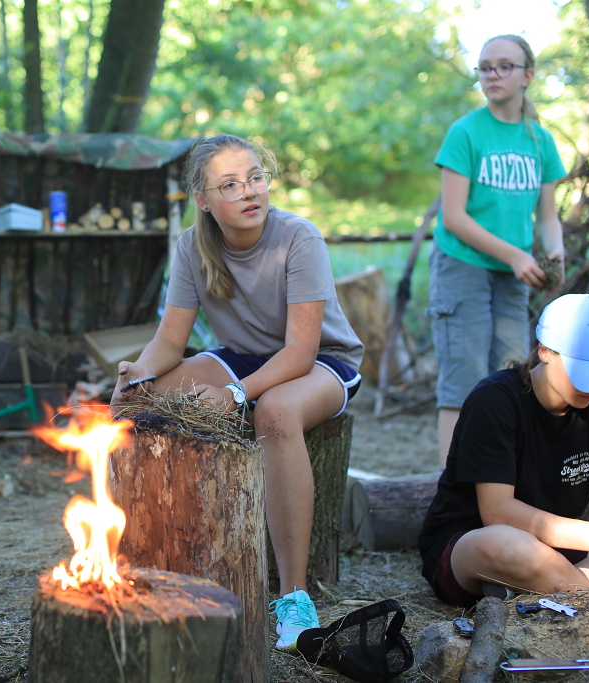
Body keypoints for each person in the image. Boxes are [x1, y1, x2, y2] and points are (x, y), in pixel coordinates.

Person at [109, 134, 364, 653]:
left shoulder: (299, 238)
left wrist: (235, 393)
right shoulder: (191, 245)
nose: (250, 191)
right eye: (230, 184)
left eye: (255, 177)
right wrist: (136, 375)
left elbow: (298, 352)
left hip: (321, 361)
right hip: (240, 356)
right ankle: (160, 563)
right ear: (203, 200)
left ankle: (294, 595)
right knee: (146, 401)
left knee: (273, 411)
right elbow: (170, 341)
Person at [419, 294, 589, 607]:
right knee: (509, 545)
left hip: (559, 551)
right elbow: (497, 513)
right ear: (545, 351)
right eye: (581, 372)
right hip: (476, 543)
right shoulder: (495, 401)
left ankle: (567, 591)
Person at [429, 34, 567, 468]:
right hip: (462, 268)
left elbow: (547, 216)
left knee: (511, 378)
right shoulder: (466, 132)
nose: (493, 74)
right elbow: (453, 217)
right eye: (485, 66)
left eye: (504, 66)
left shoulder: (540, 142)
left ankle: (501, 481)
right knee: (463, 383)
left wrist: (555, 254)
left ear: (527, 75)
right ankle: (453, 496)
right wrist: (514, 255)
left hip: (513, 277)